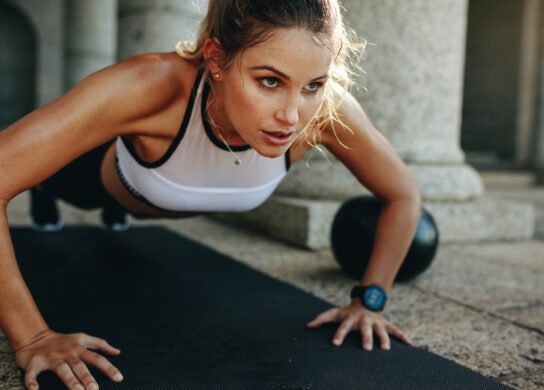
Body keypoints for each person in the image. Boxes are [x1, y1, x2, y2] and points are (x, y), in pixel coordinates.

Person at [0, 0, 421, 389]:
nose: (292, 116)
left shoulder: (328, 112)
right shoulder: (152, 87)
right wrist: (32, 337)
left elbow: (403, 196)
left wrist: (371, 299)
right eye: (270, 80)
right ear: (217, 60)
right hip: (100, 179)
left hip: (157, 201)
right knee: (55, 180)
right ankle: (43, 188)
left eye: (312, 85)